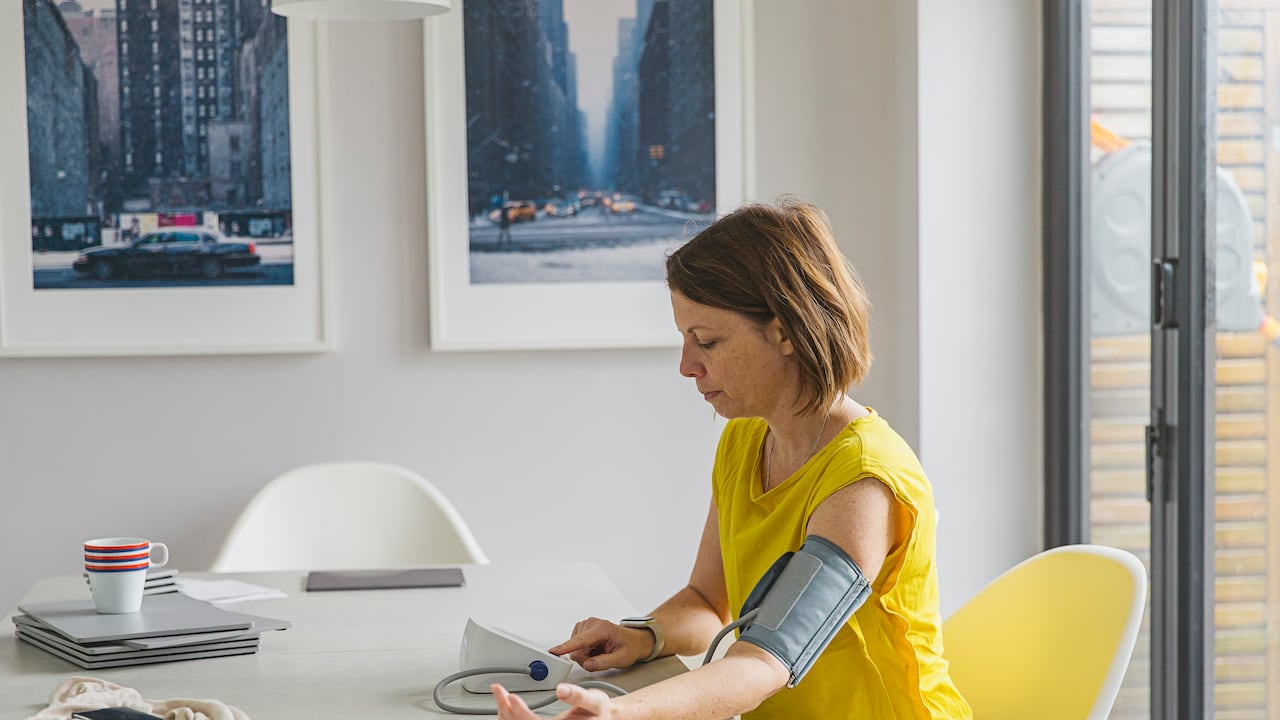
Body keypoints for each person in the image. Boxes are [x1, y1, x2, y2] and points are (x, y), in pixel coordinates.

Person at [490, 197, 972, 719]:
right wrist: (641, 635)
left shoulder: (862, 482)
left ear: (785, 331)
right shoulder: (744, 440)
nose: (686, 365)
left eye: (707, 341)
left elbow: (768, 658)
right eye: (683, 339)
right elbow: (706, 600)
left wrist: (621, 714)